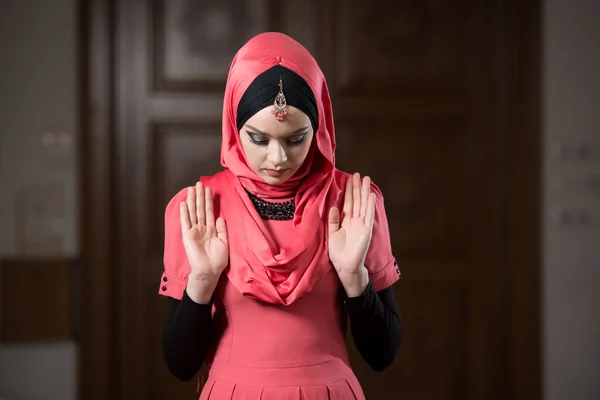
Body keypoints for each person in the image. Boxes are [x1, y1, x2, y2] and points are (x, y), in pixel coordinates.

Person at [158, 32, 402, 400]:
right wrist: (203, 281)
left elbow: (383, 355)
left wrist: (355, 278)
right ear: (233, 127)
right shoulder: (200, 209)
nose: (278, 159)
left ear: (318, 130)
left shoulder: (352, 203)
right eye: (258, 139)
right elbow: (179, 365)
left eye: (295, 139)